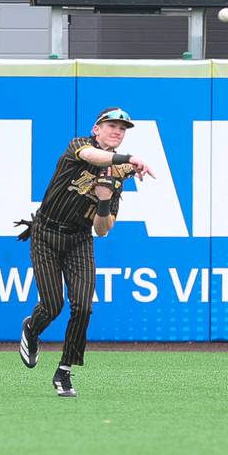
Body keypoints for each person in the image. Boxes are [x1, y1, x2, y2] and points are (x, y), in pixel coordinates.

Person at [15, 106, 155, 397]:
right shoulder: (80, 145)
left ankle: (64, 371)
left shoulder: (120, 172)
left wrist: (104, 201)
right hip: (46, 233)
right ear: (97, 129)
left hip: (79, 239)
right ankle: (32, 328)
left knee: (83, 306)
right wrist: (131, 159)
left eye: (123, 128)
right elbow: (94, 158)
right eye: (112, 125)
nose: (118, 131)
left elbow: (103, 229)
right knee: (52, 306)